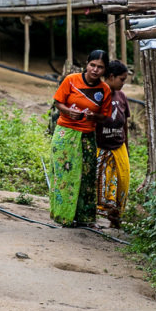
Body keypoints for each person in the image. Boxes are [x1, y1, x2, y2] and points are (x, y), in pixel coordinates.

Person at [48, 49, 112, 227]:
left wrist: (94, 117)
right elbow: (58, 102)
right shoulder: (71, 80)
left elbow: (105, 116)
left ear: (104, 70)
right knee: (64, 174)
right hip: (65, 133)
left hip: (87, 135)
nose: (95, 70)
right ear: (87, 64)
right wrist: (69, 111)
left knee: (87, 176)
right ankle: (63, 216)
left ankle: (85, 218)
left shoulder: (105, 90)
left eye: (100, 67)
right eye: (92, 65)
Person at [95, 61, 131, 229]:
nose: (123, 83)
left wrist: (127, 146)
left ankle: (116, 220)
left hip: (119, 146)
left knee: (122, 183)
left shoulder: (122, 96)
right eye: (122, 79)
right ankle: (92, 217)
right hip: (101, 147)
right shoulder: (98, 94)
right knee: (100, 184)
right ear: (111, 77)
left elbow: (125, 124)